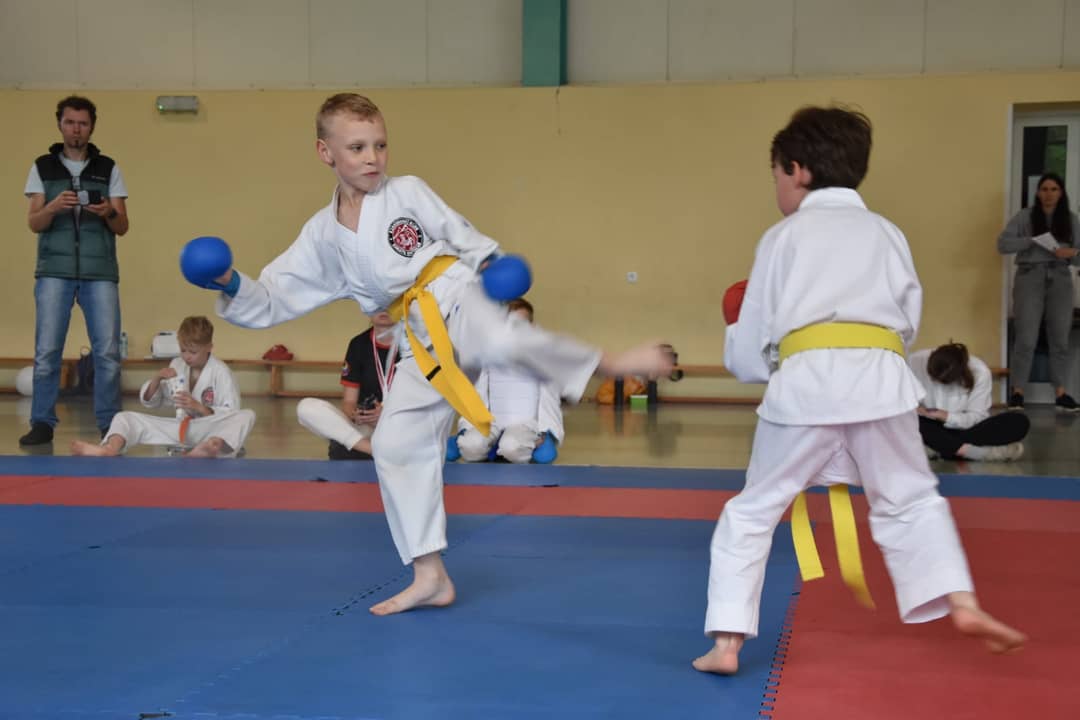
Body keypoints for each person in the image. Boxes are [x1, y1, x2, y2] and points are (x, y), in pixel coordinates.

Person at [200, 93, 673, 616]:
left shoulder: (407, 191)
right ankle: (430, 575)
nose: (373, 157)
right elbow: (276, 293)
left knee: (500, 340)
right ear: (324, 152)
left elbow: (458, 231)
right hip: (418, 336)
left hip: (454, 294)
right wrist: (228, 281)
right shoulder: (322, 235)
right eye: (357, 147)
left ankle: (610, 364)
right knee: (394, 444)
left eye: (380, 145)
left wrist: (490, 262)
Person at [694, 106, 1025, 676]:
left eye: (775, 176)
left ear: (796, 170)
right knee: (912, 498)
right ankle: (963, 602)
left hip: (807, 386)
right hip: (882, 382)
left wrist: (742, 339)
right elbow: (906, 324)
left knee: (752, 512)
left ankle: (726, 644)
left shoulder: (782, 237)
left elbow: (750, 354)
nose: (777, 188)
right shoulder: (888, 233)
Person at [20, 95, 130, 446]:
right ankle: (42, 423)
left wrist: (107, 212)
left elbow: (123, 226)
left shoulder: (108, 168)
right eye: (70, 122)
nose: (76, 129)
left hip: (100, 272)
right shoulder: (42, 167)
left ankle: (110, 425)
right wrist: (53, 206)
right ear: (60, 125)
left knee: (108, 353)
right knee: (47, 352)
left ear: (91, 126)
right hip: (54, 269)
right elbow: (34, 223)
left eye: (82, 123)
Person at [71, 316, 254, 458]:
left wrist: (199, 407)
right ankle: (110, 448)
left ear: (209, 347)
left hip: (208, 430)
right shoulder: (177, 364)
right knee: (124, 417)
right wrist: (157, 379)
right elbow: (154, 401)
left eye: (193, 352)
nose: (187, 356)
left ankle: (212, 447)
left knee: (247, 415)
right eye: (183, 350)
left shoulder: (221, 372)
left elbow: (230, 414)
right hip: (180, 428)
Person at [997, 172, 1080, 412]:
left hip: (1060, 278)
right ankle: (1018, 392)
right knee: (1026, 336)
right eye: (1044, 189)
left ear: (1061, 193)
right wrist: (1031, 241)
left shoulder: (1071, 219)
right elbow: (1002, 244)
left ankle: (1061, 393)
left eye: (1054, 189)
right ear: (1037, 192)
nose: (1049, 194)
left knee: (1059, 337)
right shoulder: (1025, 216)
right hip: (1030, 277)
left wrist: (1072, 253)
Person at [448, 299, 564, 464]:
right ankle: (487, 444)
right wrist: (466, 428)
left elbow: (549, 400)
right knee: (470, 447)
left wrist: (548, 433)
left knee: (512, 448)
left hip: (524, 422)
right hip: (493, 420)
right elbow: (476, 393)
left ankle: (516, 444)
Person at [296, 311, 400, 460]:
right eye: (377, 305)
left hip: (402, 425)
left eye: (388, 304)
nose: (383, 310)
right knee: (306, 407)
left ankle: (365, 446)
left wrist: (387, 415)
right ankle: (373, 450)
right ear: (367, 309)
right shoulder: (358, 344)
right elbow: (349, 402)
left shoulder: (415, 344)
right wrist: (356, 415)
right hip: (367, 429)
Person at [910, 342, 1030, 461]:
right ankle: (975, 452)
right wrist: (918, 410)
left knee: (1019, 422)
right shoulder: (914, 360)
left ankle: (939, 448)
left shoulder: (980, 372)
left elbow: (976, 417)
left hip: (965, 428)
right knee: (910, 421)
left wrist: (947, 416)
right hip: (930, 425)